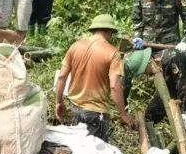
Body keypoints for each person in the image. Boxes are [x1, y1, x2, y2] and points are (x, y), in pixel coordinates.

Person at [55, 14, 135, 142]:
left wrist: (59, 102)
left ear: (93, 30)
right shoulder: (112, 52)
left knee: (76, 148)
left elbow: (62, 76)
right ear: (110, 32)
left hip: (75, 108)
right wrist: (123, 114)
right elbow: (114, 86)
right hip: (96, 113)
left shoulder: (76, 46)